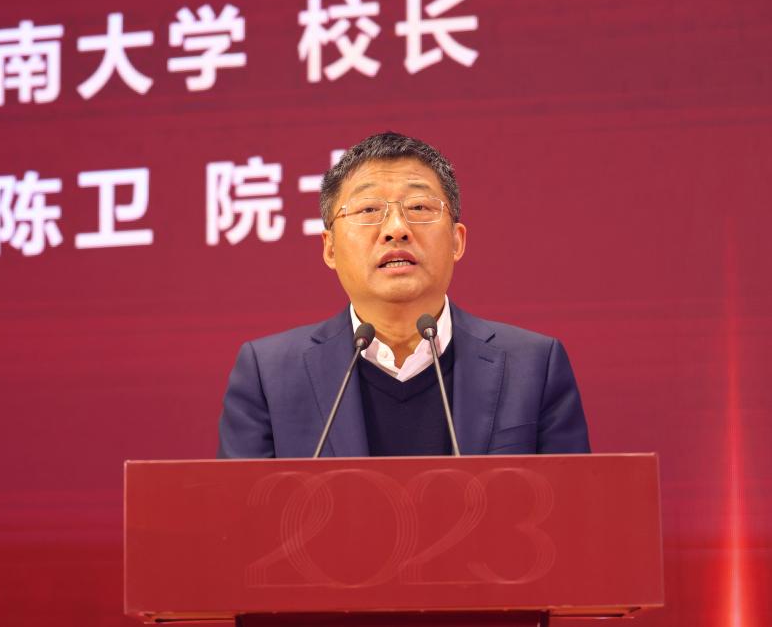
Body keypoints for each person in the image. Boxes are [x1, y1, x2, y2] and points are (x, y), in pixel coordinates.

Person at [217, 132, 590, 458]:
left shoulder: (533, 366)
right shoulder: (269, 375)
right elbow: (244, 513)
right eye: (368, 210)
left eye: (419, 208)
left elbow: (572, 507)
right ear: (329, 248)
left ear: (457, 241)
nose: (396, 229)